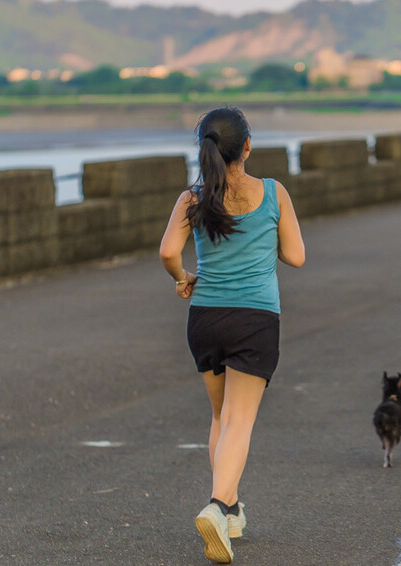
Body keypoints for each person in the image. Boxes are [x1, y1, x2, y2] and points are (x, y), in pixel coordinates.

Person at [159, 107, 305, 563]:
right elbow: (296, 257)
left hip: (205, 318)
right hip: (255, 318)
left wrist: (183, 276)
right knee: (240, 421)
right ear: (246, 146)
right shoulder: (273, 192)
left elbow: (167, 252)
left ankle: (233, 508)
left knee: (222, 417)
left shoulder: (193, 198)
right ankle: (218, 506)